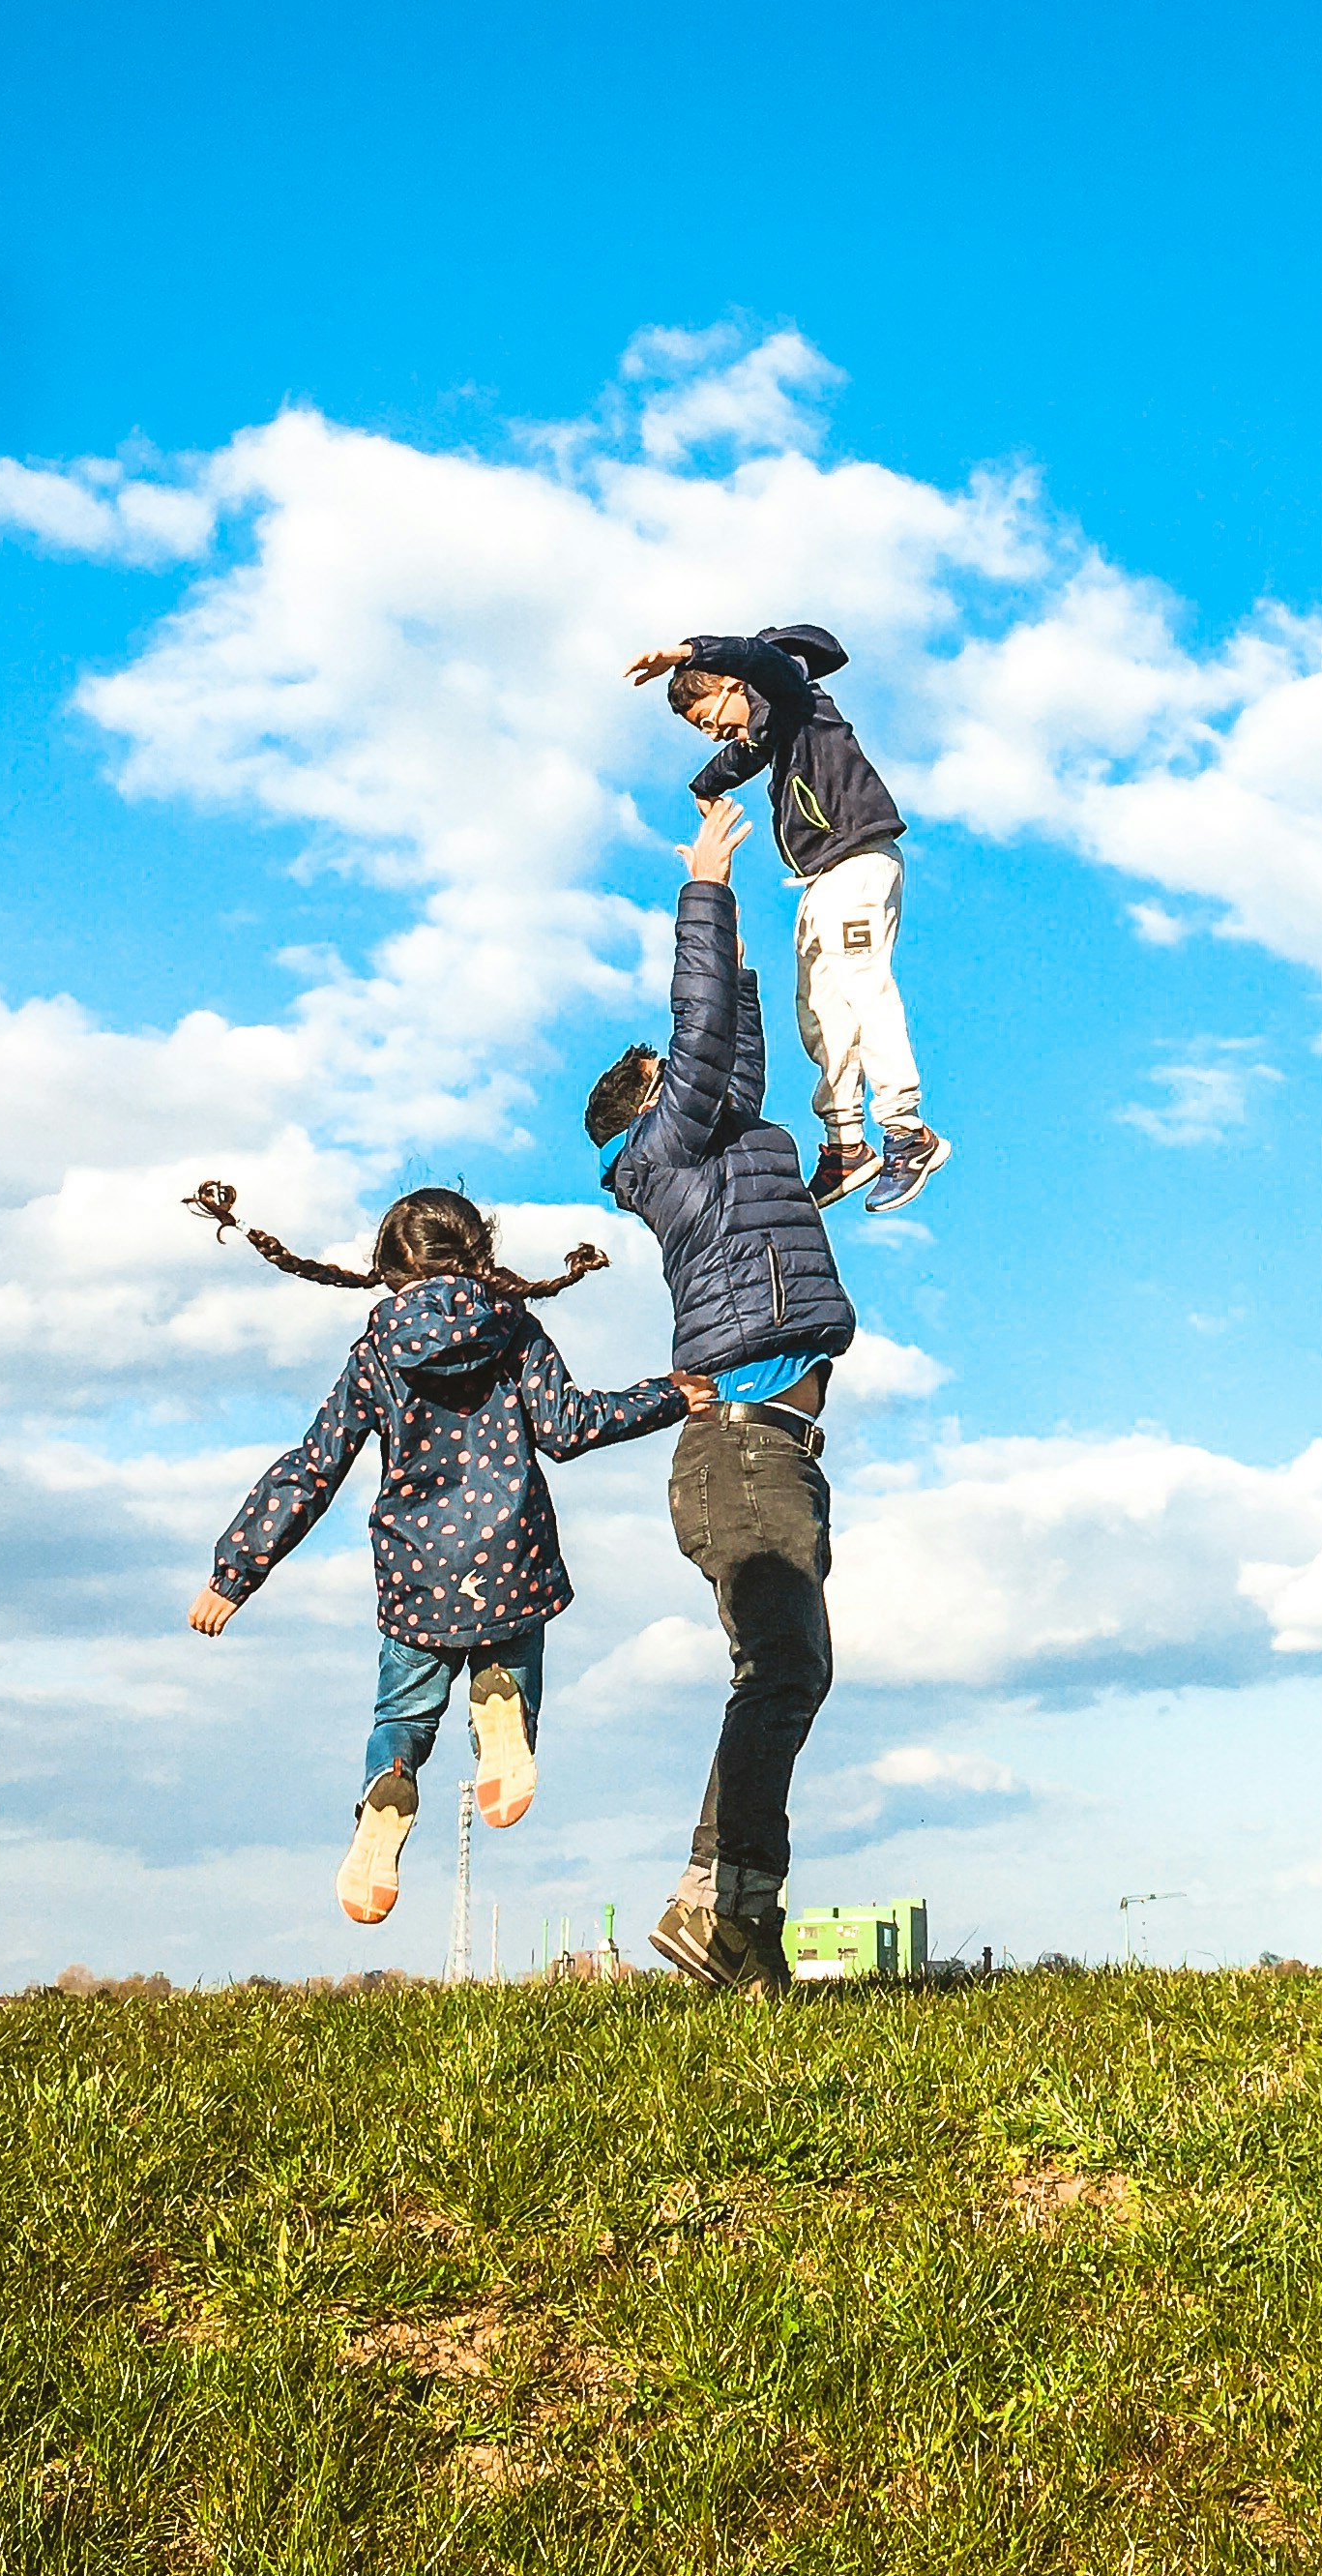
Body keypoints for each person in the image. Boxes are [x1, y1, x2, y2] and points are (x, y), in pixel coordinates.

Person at [182, 1181, 701, 1928]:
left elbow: (313, 1468)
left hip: (417, 1575)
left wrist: (234, 1573)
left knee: (401, 1716)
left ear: (390, 1272)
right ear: (479, 1255)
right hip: (511, 1560)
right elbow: (569, 1427)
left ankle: (389, 1780)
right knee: (508, 1679)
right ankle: (502, 1711)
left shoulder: (376, 1355)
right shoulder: (513, 1330)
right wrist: (670, 1395)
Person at [583, 792, 857, 1996]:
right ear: (651, 1107)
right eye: (674, 1074)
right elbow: (698, 1042)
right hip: (741, 1449)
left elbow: (725, 1049)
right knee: (784, 1670)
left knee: (789, 1670)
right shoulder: (666, 1152)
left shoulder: (706, 1144)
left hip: (765, 1448)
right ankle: (718, 1905)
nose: (698, 1075)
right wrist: (705, 888)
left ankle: (737, 1927)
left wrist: (738, 958)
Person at [623, 621, 951, 1216]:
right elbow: (739, 757)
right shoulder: (770, 733)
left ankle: (907, 1131)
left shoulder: (791, 693)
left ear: (731, 684)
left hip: (857, 861)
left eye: (706, 718)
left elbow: (761, 662)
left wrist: (687, 652)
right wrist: (705, 784)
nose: (711, 732)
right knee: (819, 1009)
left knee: (863, 987)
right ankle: (846, 1144)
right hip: (821, 877)